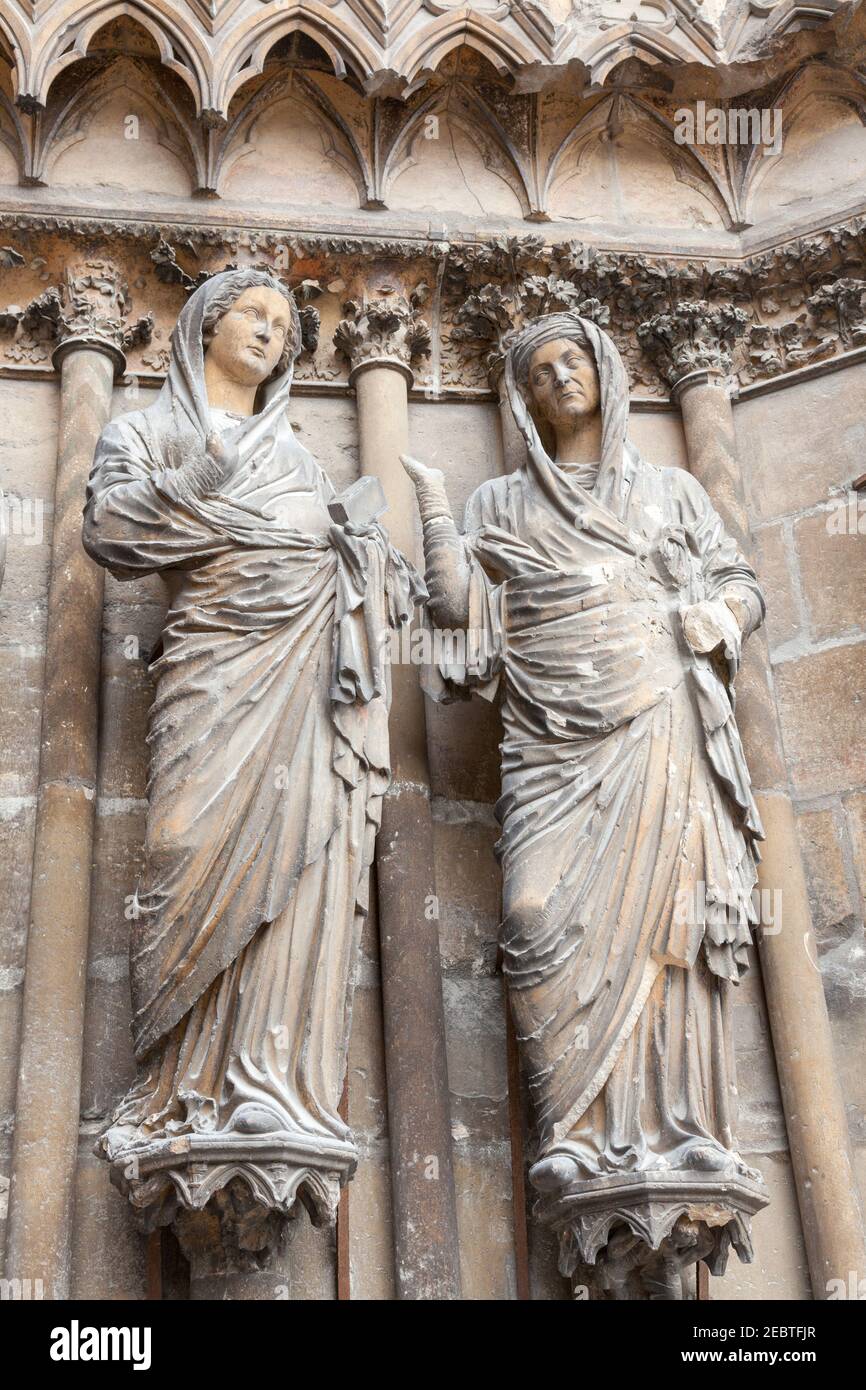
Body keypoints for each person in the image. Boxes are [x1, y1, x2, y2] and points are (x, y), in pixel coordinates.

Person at [402, 313, 768, 1297]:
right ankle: (571, 1134)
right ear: (519, 397)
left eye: (572, 360)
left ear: (604, 372)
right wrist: (435, 511)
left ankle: (676, 1130)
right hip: (548, 743)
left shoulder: (670, 491)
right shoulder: (498, 502)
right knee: (530, 915)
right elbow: (457, 615)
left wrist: (716, 612)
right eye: (537, 370)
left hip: (656, 723)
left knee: (667, 928)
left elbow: (739, 577)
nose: (558, 377)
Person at [84, 268, 420, 1236]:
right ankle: (183, 1091)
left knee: (299, 868)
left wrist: (373, 559)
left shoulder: (302, 460)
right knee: (185, 839)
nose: (271, 331)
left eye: (283, 323)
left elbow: (352, 563)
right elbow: (109, 524)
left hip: (304, 687)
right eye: (254, 314)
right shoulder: (145, 431)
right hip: (212, 676)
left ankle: (269, 1076)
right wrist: (202, 477)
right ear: (203, 324)